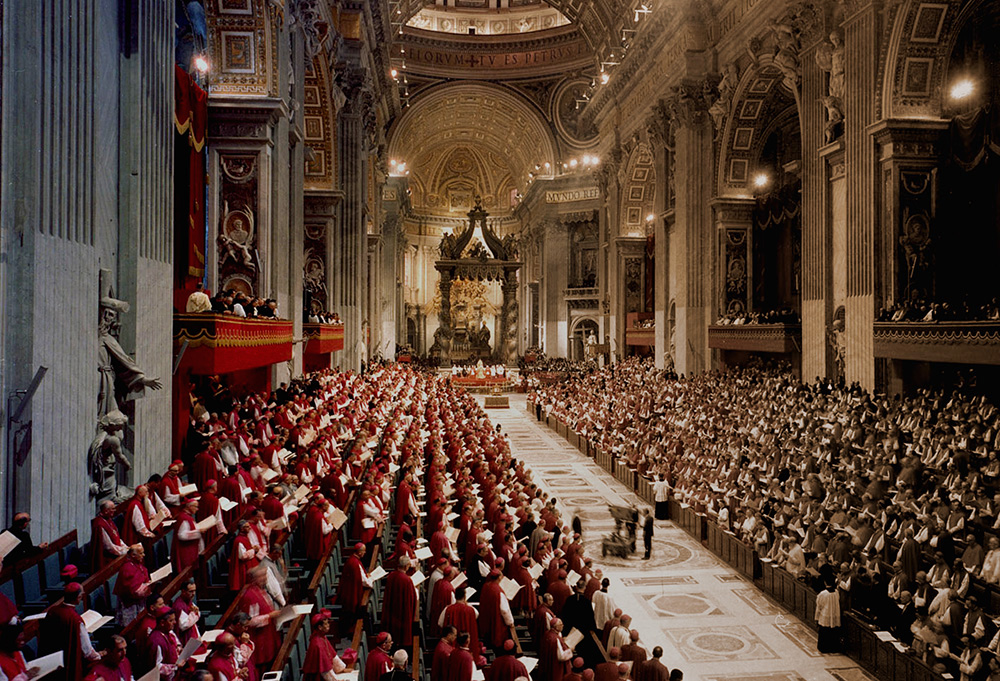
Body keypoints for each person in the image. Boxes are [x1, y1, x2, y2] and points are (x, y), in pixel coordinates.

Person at [39, 582, 101, 681]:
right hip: (70, 664)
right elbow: (87, 651)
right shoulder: (75, 619)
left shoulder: (52, 611)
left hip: (53, 664)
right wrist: (99, 656)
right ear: (78, 597)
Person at [239, 566, 282, 674]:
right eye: (261, 576)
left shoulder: (260, 589)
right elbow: (250, 621)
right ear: (254, 579)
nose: (265, 578)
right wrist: (269, 616)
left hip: (268, 634)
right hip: (259, 637)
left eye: (265, 575)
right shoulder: (250, 595)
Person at [382, 556, 418, 648]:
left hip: (392, 612)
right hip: (402, 615)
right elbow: (412, 599)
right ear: (406, 566)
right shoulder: (407, 580)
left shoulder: (391, 576)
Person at [114, 544, 151, 626]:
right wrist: (147, 586)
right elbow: (131, 590)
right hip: (130, 604)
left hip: (140, 602)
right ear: (133, 555)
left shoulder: (137, 564)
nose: (143, 555)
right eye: (141, 553)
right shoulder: (127, 568)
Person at [303, 612, 347, 680]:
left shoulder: (322, 637)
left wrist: (341, 669)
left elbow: (332, 654)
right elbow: (325, 670)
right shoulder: (317, 644)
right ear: (320, 627)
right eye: (326, 624)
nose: (328, 625)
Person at [144, 606, 180, 681]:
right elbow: (157, 667)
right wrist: (175, 666)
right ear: (162, 623)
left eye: (174, 619)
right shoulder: (156, 641)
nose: (175, 622)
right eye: (171, 620)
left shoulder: (168, 633)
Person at [92, 500, 129, 571]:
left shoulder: (109, 520)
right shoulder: (99, 524)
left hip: (117, 553)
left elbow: (117, 537)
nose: (115, 510)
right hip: (108, 558)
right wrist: (124, 552)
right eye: (113, 509)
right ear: (106, 511)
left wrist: (125, 547)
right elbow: (108, 547)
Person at [173, 579, 202, 645]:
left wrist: (195, 613)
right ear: (183, 591)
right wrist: (194, 614)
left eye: (194, 591)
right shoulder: (178, 606)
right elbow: (183, 625)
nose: (193, 594)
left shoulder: (188, 600)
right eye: (191, 591)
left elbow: (198, 613)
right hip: (185, 638)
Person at [815, 582, 841, 653]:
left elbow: (819, 606)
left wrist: (817, 618)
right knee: (833, 632)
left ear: (825, 583)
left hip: (825, 614)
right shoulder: (836, 592)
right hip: (835, 614)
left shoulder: (823, 594)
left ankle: (824, 648)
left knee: (824, 632)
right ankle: (833, 648)